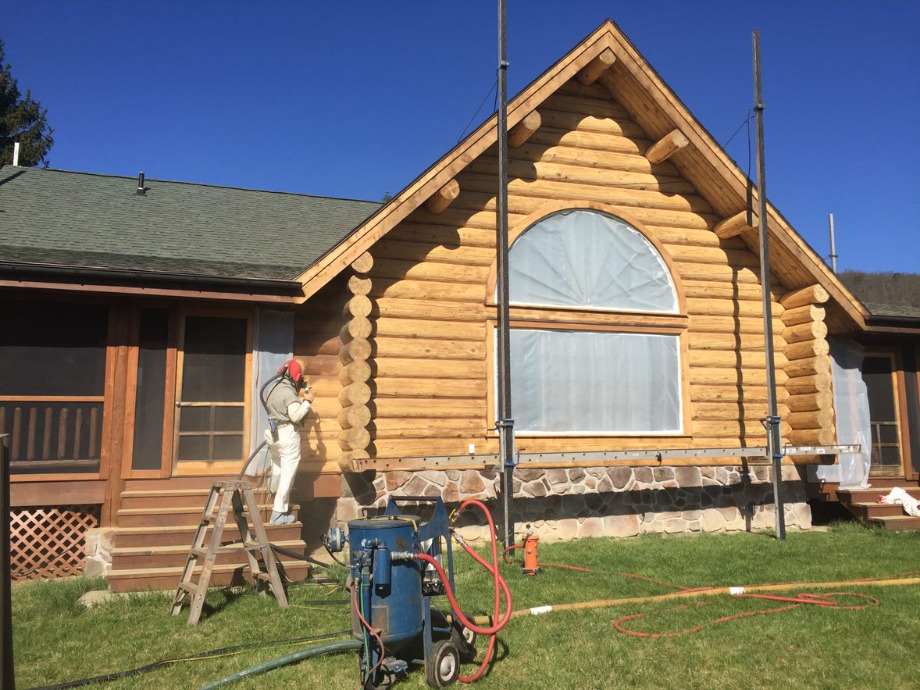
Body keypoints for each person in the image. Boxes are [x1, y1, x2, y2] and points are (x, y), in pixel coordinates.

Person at [264, 359, 314, 525]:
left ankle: (273, 491)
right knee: (288, 471)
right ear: (296, 376)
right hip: (286, 434)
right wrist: (307, 402)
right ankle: (278, 513)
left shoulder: (273, 389)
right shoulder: (288, 393)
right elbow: (295, 416)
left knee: (277, 465)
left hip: (273, 434)